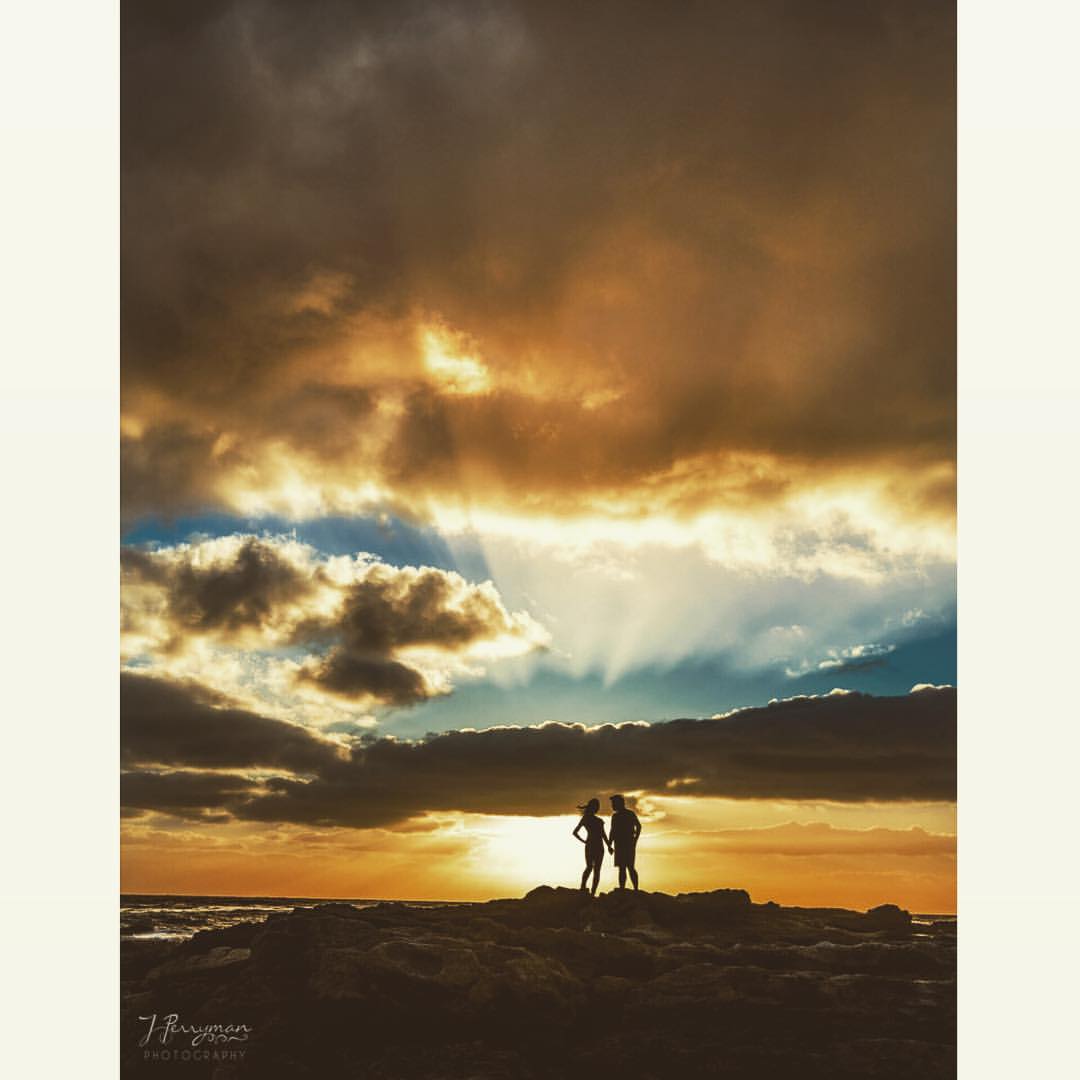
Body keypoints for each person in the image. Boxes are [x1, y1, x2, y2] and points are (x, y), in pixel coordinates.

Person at [572, 798, 611, 896]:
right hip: (597, 846)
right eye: (597, 806)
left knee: (590, 868)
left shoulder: (587, 819)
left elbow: (575, 833)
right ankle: (589, 891)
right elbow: (603, 835)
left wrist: (584, 841)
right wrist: (609, 846)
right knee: (595, 870)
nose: (598, 808)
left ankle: (584, 888)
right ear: (594, 807)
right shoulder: (597, 821)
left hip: (591, 845)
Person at [609, 794, 641, 890]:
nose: (612, 806)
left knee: (630, 867)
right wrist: (610, 844)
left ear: (619, 803)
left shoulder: (630, 814)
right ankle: (623, 888)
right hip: (619, 844)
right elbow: (613, 831)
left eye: (613, 803)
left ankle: (635, 889)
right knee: (622, 868)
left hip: (628, 844)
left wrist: (635, 840)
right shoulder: (615, 816)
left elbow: (638, 826)